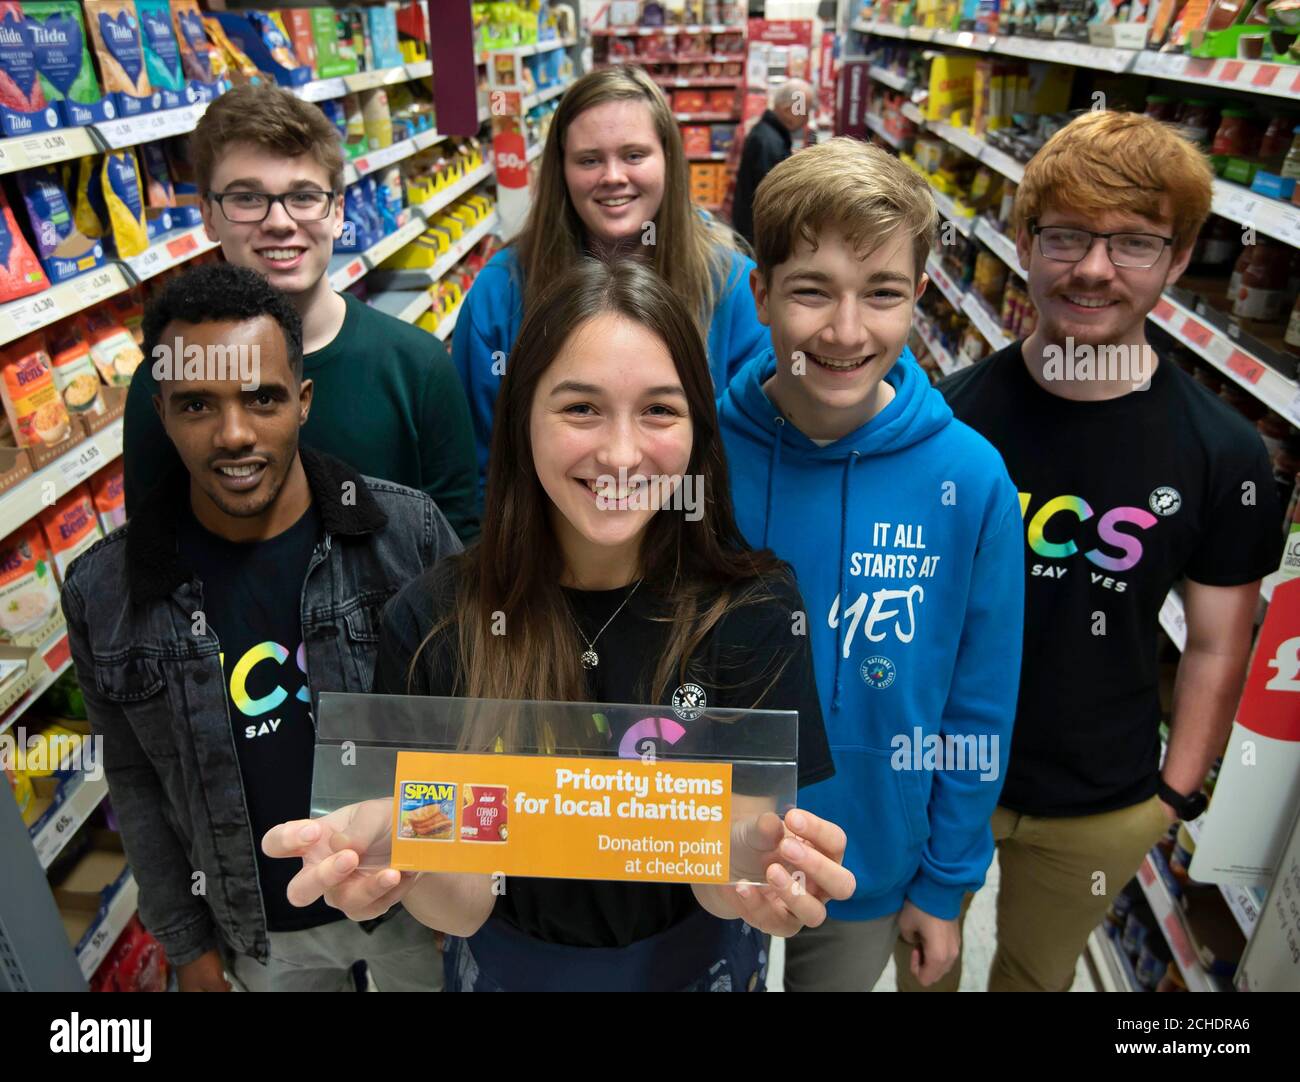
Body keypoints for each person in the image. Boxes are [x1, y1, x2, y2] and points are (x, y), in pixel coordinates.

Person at [264, 258, 857, 992]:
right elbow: (467, 904)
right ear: (522, 421)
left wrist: (756, 870)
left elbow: (724, 871)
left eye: (660, 410)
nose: (619, 453)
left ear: (699, 429)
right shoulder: (434, 622)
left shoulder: (756, 612)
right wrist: (401, 849)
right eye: (580, 408)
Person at [913, 110, 1279, 991]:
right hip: (938, 777)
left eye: (1134, 244)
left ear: (1182, 259)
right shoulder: (945, 417)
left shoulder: (1222, 453)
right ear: (1024, 239)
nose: (1091, 269)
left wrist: (1173, 798)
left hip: (1101, 800)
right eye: (1066, 236)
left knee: (1036, 979)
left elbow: (1221, 640)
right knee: (922, 967)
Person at [62, 263, 462, 991]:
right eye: (196, 406)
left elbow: (464, 730)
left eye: (263, 398)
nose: (234, 435)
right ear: (161, 412)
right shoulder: (105, 594)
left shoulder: (411, 538)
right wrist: (188, 948)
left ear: (303, 401)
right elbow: (135, 779)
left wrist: (452, 889)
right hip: (259, 935)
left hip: (411, 901)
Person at [716, 137, 1024, 992]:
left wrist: (949, 882)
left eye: (882, 293)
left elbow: (978, 704)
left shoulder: (969, 479)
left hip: (871, 862)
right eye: (811, 291)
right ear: (763, 295)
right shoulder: (697, 454)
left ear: (919, 298)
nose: (847, 332)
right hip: (704, 850)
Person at [122, 83, 481, 542]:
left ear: (337, 212)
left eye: (305, 196)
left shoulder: (419, 367)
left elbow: (459, 546)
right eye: (247, 198)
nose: (279, 222)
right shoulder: (168, 377)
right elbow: (151, 550)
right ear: (208, 217)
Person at [451, 65, 771, 497]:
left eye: (634, 155)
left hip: (692, 542)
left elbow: (751, 452)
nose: (613, 176)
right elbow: (482, 464)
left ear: (669, 160)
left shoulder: (731, 286)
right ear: (561, 170)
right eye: (589, 160)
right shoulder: (501, 292)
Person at [729, 79, 813, 247]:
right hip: (756, 236)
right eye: (804, 111)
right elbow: (772, 197)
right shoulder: (769, 142)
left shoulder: (769, 135)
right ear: (789, 109)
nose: (806, 119)